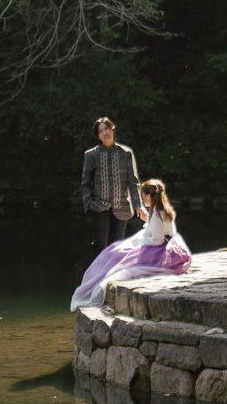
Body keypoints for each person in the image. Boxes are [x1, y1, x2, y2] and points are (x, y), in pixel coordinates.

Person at [70, 178, 192, 311]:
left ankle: (92, 284)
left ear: (149, 195)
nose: (142, 199)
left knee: (120, 255)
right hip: (162, 244)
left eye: (143, 196)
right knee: (114, 250)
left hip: (159, 249)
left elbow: (157, 240)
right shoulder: (161, 209)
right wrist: (147, 220)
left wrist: (140, 242)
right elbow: (159, 229)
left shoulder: (158, 213)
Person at [81, 117, 147, 255]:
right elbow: (85, 183)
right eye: (101, 131)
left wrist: (138, 205)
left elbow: (133, 182)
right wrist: (89, 205)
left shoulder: (126, 153)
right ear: (98, 136)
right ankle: (98, 275)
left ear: (113, 129)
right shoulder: (91, 155)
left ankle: (114, 275)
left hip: (122, 206)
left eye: (107, 128)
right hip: (99, 207)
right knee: (99, 245)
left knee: (117, 247)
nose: (105, 133)